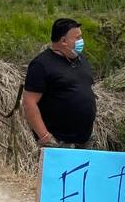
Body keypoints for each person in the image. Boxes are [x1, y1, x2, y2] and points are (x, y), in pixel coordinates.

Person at [22, 18, 96, 148]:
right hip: (59, 142)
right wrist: (45, 137)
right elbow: (29, 102)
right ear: (63, 41)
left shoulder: (81, 60)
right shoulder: (41, 65)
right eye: (77, 38)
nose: (81, 41)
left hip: (85, 140)